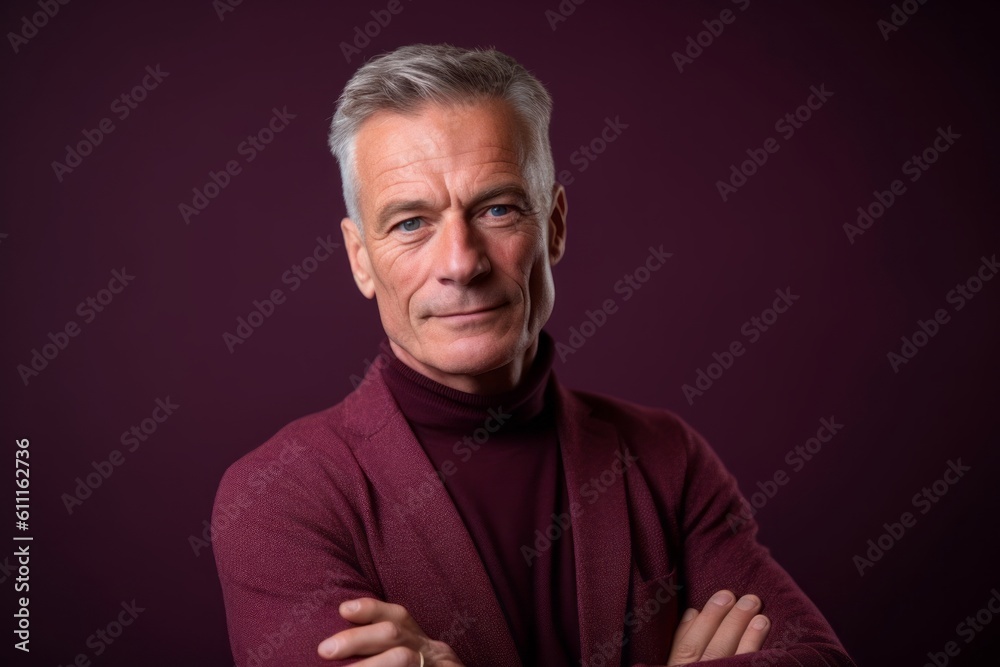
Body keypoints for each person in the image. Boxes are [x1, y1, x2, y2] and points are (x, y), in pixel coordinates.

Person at [212, 43, 855, 667]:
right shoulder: (278, 497)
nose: (461, 264)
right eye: (410, 223)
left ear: (554, 226)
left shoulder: (668, 459)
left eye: (496, 208)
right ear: (361, 258)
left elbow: (818, 660)